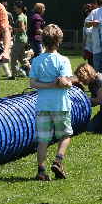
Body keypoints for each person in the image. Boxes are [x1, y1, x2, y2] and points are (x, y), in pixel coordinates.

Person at [29, 24, 73, 181]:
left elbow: (32, 83)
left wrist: (47, 85)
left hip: (42, 105)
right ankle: (58, 160)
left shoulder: (37, 60)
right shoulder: (63, 60)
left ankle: (41, 170)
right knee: (66, 135)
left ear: (43, 41)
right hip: (60, 105)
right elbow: (64, 82)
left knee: (43, 140)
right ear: (59, 41)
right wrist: (69, 83)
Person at [9, 0, 29, 79]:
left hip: (19, 40)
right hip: (24, 39)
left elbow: (22, 29)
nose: (14, 10)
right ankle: (30, 72)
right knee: (22, 59)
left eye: (15, 8)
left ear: (19, 8)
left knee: (13, 57)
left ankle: (14, 75)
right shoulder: (24, 16)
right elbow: (26, 29)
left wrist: (12, 28)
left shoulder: (20, 17)